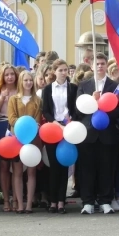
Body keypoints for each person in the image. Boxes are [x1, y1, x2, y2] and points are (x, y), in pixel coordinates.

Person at [76, 53, 119, 215]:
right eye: (97, 64)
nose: (100, 66)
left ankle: (105, 200)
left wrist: (104, 109)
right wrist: (92, 100)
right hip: (88, 134)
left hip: (107, 134)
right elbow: (77, 110)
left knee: (106, 169)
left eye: (103, 63)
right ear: (92, 66)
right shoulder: (83, 85)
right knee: (87, 169)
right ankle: (87, 201)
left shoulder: (114, 85)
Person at [42, 59, 78, 214]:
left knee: (64, 165)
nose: (64, 73)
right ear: (54, 71)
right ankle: (53, 201)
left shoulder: (73, 88)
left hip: (68, 128)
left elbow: (76, 108)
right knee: (53, 167)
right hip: (53, 129)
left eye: (66, 70)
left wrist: (70, 121)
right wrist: (57, 124)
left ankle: (61, 201)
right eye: (61, 70)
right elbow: (46, 111)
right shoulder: (48, 89)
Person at [7, 70, 42, 213]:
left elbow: (38, 120)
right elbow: (11, 119)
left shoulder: (37, 100)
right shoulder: (13, 99)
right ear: (21, 82)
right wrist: (24, 124)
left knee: (32, 172)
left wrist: (30, 126)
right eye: (25, 80)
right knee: (17, 172)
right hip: (17, 138)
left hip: (33, 139)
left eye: (30, 80)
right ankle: (20, 204)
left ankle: (29, 205)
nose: (28, 83)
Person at [0, 64, 19, 212]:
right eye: (7, 74)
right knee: (3, 166)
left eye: (12, 74)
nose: (9, 77)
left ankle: (16, 198)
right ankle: (6, 200)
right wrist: (2, 99)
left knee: (16, 166)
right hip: (2, 125)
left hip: (17, 127)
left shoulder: (20, 89)